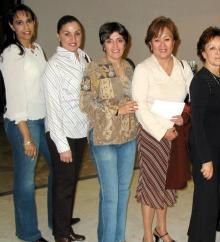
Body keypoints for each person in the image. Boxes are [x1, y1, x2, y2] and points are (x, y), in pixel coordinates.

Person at [132, 16, 193, 242]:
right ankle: (148, 235)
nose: (162, 44)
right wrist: (161, 131)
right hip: (151, 135)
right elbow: (140, 107)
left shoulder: (183, 67)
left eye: (167, 39)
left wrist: (184, 118)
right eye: (157, 40)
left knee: (167, 183)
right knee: (151, 183)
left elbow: (191, 98)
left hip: (175, 134)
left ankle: (162, 229)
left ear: (174, 42)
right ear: (150, 43)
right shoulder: (143, 69)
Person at [80, 21, 138, 242]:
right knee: (111, 196)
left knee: (122, 195)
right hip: (104, 140)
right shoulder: (93, 68)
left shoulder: (131, 68)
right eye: (109, 40)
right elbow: (85, 103)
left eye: (120, 40)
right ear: (103, 44)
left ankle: (117, 238)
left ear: (126, 43)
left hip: (128, 138)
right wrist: (116, 109)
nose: (115, 45)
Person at [0, 4, 52, 242]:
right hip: (24, 123)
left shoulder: (37, 49)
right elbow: (15, 97)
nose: (26, 26)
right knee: (25, 181)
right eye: (19, 22)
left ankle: (57, 217)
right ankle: (28, 233)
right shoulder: (12, 53)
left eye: (28, 20)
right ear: (12, 26)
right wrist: (26, 137)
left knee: (60, 169)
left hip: (43, 119)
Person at [42, 15, 89, 242]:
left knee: (69, 182)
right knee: (64, 185)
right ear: (58, 35)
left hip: (80, 130)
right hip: (62, 132)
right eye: (67, 33)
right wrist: (62, 146)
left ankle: (65, 226)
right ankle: (61, 234)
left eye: (77, 33)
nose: (73, 38)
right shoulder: (53, 66)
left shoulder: (83, 57)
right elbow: (53, 109)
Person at [187, 26, 220, 242]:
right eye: (212, 48)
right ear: (203, 53)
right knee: (207, 204)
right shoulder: (200, 81)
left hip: (219, 149)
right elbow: (197, 123)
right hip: (204, 150)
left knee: (209, 202)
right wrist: (206, 159)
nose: (218, 52)